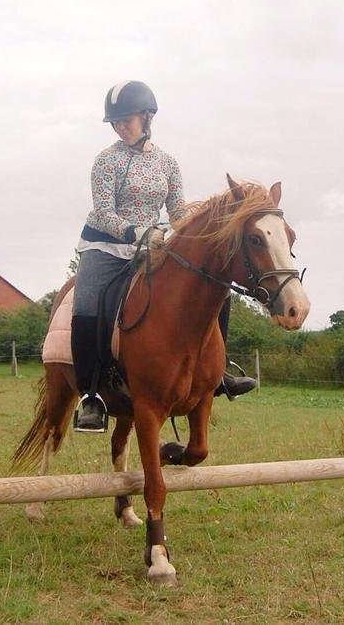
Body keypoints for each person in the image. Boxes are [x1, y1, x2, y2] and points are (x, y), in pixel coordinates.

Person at [72, 80, 257, 433]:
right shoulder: (106, 160)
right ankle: (91, 395)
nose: (121, 126)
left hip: (154, 246)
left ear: (147, 118)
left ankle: (218, 374)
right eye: (116, 121)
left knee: (217, 289)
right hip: (106, 246)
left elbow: (176, 211)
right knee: (86, 305)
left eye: (127, 119)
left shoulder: (167, 163)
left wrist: (192, 231)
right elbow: (103, 212)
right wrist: (136, 232)